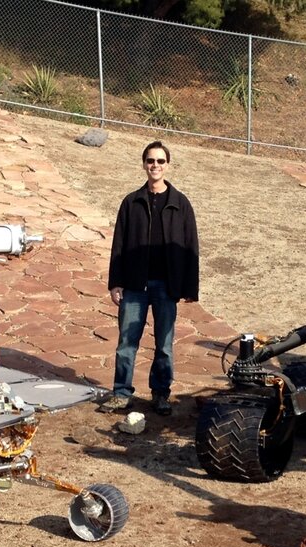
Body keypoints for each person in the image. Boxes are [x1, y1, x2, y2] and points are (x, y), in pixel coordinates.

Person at [103, 140, 199, 416]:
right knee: (126, 343)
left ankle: (160, 394)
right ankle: (122, 393)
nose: (155, 165)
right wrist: (115, 282)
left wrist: (189, 287)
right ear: (144, 164)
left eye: (160, 161)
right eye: (150, 161)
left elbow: (191, 248)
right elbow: (118, 245)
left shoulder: (180, 204)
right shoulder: (131, 202)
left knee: (164, 344)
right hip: (134, 286)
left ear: (167, 165)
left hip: (166, 286)